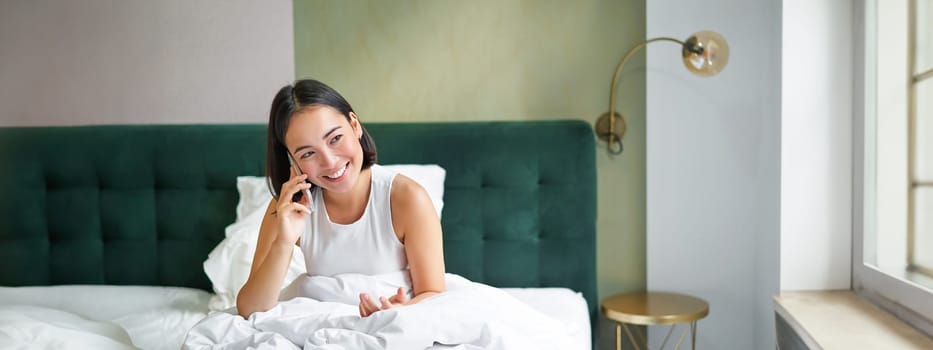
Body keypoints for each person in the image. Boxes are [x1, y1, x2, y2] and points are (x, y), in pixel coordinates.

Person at [236, 79, 446, 319]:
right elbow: (250, 308)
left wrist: (396, 312)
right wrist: (284, 241)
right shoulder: (288, 208)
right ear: (292, 161)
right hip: (322, 324)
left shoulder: (407, 198)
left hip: (395, 324)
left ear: (354, 125)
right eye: (308, 153)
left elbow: (433, 294)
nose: (329, 162)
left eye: (335, 138)